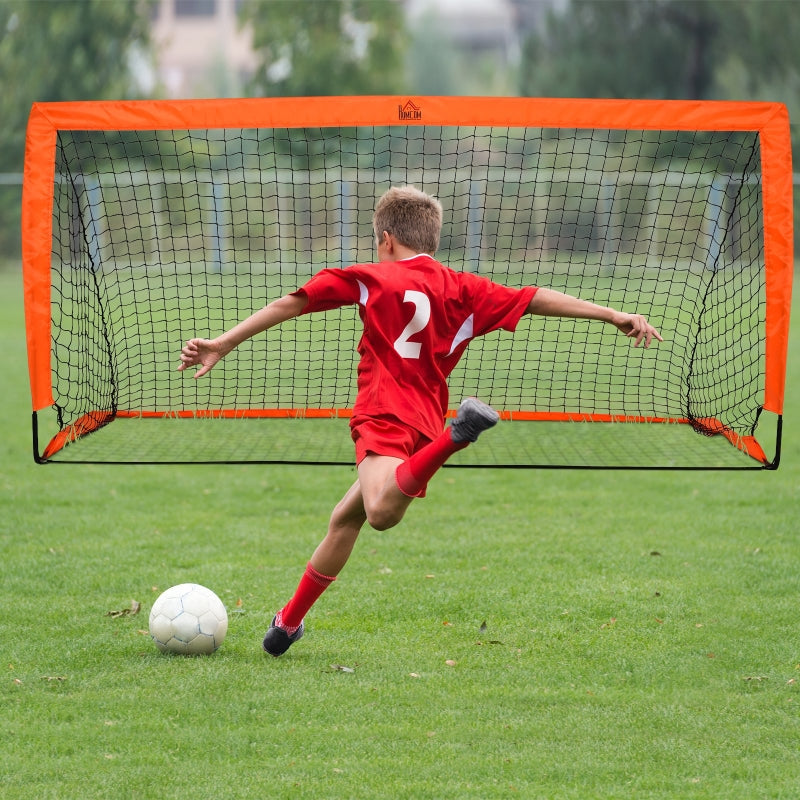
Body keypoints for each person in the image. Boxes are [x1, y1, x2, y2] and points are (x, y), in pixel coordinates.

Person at [178, 185, 662, 657]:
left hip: (384, 412)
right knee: (343, 519)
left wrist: (224, 342)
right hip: (421, 422)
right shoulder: (464, 287)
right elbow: (534, 296)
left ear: (386, 239)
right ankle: (287, 623)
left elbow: (295, 301)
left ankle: (459, 435)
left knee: (380, 513)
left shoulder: (372, 276)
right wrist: (611, 313)